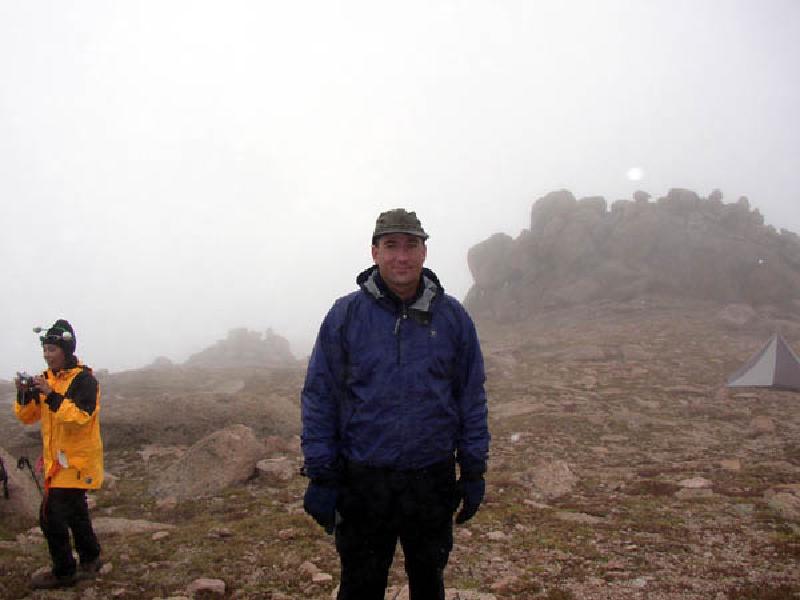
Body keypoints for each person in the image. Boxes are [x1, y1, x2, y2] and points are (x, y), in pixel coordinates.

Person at [301, 209, 490, 600]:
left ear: (424, 252)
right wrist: (322, 475)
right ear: (375, 252)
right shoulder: (345, 315)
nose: (401, 256)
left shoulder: (453, 317)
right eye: (391, 246)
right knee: (360, 586)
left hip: (431, 479)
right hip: (364, 481)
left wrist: (473, 469)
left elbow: (470, 396)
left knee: (429, 582)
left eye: (411, 246)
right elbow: (321, 395)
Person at [14, 319, 104, 590]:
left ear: (66, 350)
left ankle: (64, 572)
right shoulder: (48, 379)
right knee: (76, 512)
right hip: (58, 462)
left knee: (50, 516)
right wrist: (24, 395)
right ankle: (91, 558)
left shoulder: (84, 380)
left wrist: (51, 395)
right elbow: (28, 417)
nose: (47, 355)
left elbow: (80, 418)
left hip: (77, 462)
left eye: (52, 349)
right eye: (45, 349)